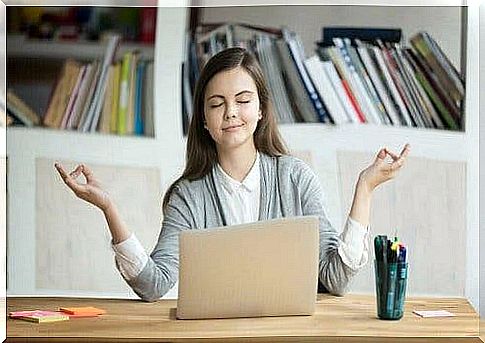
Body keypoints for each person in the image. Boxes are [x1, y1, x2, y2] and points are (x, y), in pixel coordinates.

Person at [55, 47, 410, 302]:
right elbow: (153, 285)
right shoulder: (188, 195)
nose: (230, 113)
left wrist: (365, 188)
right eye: (216, 104)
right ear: (205, 121)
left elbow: (336, 280)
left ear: (260, 110)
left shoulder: (294, 178)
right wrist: (109, 209)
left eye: (242, 100)